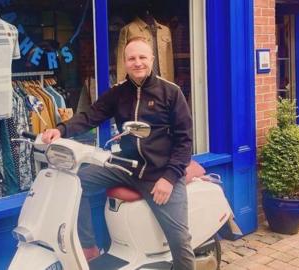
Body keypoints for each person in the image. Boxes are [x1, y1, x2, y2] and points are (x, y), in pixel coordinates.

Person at [41, 37, 195, 270]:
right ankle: (89, 247)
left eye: (143, 57)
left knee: (180, 241)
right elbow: (90, 116)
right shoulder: (118, 93)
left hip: (160, 172)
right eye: (132, 58)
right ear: (124, 62)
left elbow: (185, 141)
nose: (138, 63)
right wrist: (60, 130)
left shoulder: (170, 92)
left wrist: (170, 178)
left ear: (152, 59)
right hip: (126, 167)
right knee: (76, 182)